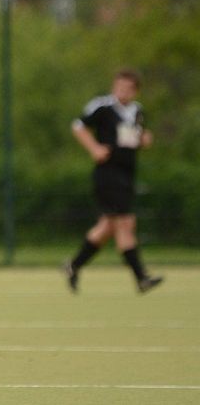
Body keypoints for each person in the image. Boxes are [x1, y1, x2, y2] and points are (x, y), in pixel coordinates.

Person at [63, 69, 163, 294]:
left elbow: (132, 138)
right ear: (113, 86)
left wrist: (144, 139)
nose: (122, 92)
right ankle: (141, 277)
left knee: (107, 226)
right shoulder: (103, 106)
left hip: (127, 173)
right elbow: (77, 126)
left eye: (128, 89)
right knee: (125, 224)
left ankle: (73, 265)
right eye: (119, 87)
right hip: (107, 173)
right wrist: (94, 148)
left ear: (136, 91)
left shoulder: (137, 111)